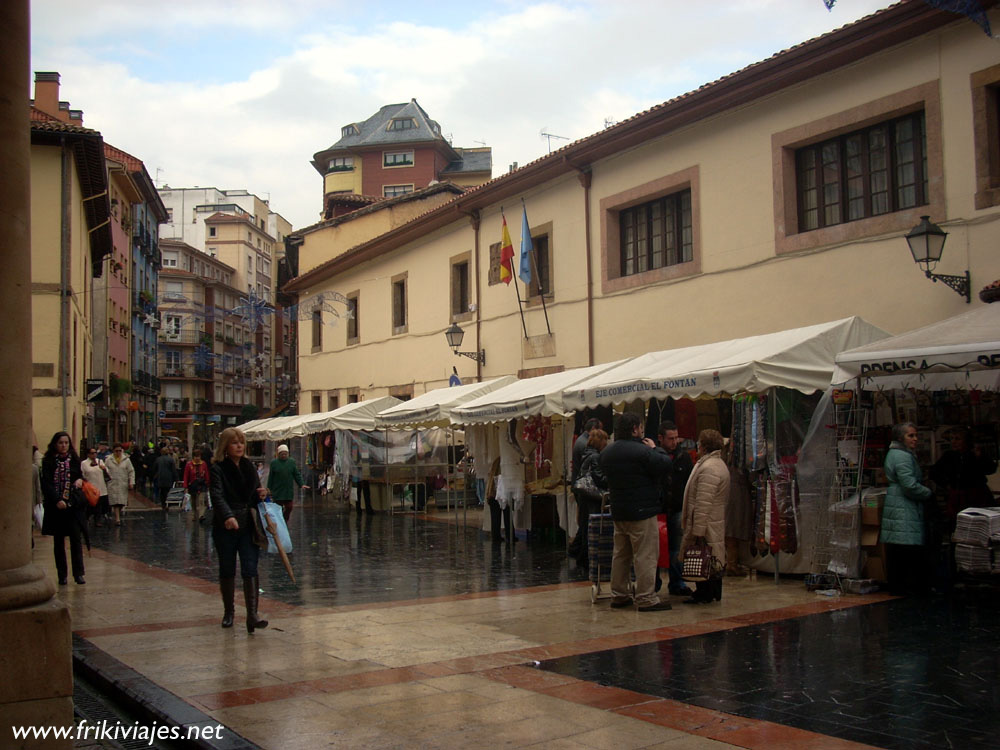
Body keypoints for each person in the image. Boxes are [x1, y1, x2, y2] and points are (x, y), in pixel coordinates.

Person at [599, 413, 673, 612]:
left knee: (620, 555)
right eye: (641, 427)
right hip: (642, 511)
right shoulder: (642, 451)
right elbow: (665, 464)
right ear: (634, 429)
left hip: (619, 511)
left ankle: (619, 594)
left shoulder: (607, 452)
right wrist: (655, 448)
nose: (642, 431)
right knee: (645, 555)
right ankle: (646, 597)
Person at [210, 427, 269, 633]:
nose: (239, 446)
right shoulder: (218, 468)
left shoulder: (248, 466)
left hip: (248, 524)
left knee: (250, 567)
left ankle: (252, 615)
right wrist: (228, 516)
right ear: (225, 446)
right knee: (227, 568)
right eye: (234, 443)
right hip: (225, 526)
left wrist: (263, 493)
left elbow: (255, 494)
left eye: (241, 442)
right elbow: (217, 495)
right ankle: (229, 612)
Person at [881, 422, 934, 596]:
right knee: (906, 546)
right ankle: (908, 587)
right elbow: (909, 485)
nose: (915, 439)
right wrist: (928, 493)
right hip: (903, 505)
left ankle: (900, 586)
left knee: (898, 547)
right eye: (910, 435)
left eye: (915, 435)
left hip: (898, 503)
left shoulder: (896, 453)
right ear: (900, 437)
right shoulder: (902, 456)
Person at [680, 429, 731, 604]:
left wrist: (698, 530)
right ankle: (713, 591)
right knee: (713, 556)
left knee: (704, 557)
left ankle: (705, 593)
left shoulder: (709, 468)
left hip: (707, 521)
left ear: (703, 446)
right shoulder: (716, 464)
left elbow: (703, 502)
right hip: (714, 519)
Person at [40, 431, 86, 585]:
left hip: (72, 505)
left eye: (66, 443)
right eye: (60, 443)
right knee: (59, 541)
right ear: (55, 444)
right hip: (56, 507)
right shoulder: (48, 461)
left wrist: (79, 480)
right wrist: (57, 500)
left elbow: (79, 476)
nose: (64, 446)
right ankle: (62, 575)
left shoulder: (74, 460)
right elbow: (46, 483)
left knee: (76, 539)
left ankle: (78, 574)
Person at [657, 421, 694, 596]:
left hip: (678, 508)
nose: (674, 442)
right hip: (659, 509)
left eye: (676, 438)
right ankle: (654, 583)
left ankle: (677, 582)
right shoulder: (654, 456)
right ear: (661, 438)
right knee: (656, 549)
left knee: (677, 548)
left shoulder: (683, 457)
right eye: (670, 438)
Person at [931, 427, 997, 524]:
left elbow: (991, 469)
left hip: (977, 496)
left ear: (966, 441)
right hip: (957, 497)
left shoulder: (974, 454)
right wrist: (946, 485)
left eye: (957, 439)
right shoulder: (949, 455)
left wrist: (980, 457)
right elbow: (934, 472)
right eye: (952, 438)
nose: (953, 442)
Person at [572, 429, 609, 567]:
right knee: (592, 528)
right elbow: (599, 478)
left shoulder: (587, 454)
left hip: (584, 496)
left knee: (585, 527)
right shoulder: (595, 457)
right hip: (592, 498)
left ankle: (582, 557)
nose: (606, 443)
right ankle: (586, 559)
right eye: (605, 440)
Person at [568, 418, 603, 559]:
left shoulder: (581, 442)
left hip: (581, 488)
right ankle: (580, 551)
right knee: (586, 522)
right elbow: (597, 476)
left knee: (583, 522)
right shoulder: (587, 448)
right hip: (587, 491)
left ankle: (576, 549)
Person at [267, 444, 309, 523]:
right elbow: (271, 477)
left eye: (285, 454)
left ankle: (285, 519)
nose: (284, 455)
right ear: (278, 454)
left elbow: (296, 474)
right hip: (277, 490)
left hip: (288, 490)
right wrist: (269, 488)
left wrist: (301, 484)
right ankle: (279, 522)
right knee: (278, 508)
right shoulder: (274, 463)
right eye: (282, 454)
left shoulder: (291, 462)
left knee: (289, 507)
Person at [105, 442, 135, 526]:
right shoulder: (108, 460)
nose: (118, 452)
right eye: (116, 451)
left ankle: (118, 514)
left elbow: (131, 471)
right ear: (113, 451)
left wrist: (131, 482)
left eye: (119, 451)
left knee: (122, 502)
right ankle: (117, 519)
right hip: (112, 483)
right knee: (115, 502)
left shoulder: (126, 460)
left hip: (122, 483)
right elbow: (105, 471)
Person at [80, 446, 111, 527]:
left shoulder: (100, 461)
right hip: (90, 488)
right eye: (92, 453)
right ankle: (87, 518)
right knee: (90, 504)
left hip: (101, 487)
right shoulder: (84, 463)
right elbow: (82, 475)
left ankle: (97, 519)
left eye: (95, 453)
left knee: (99, 505)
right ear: (88, 454)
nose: (94, 455)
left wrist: (104, 469)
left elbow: (107, 472)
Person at [183, 448, 211, 521]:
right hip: (193, 485)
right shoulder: (189, 465)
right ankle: (194, 515)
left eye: (198, 456)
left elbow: (206, 474)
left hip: (202, 485)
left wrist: (208, 483)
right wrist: (185, 486)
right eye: (196, 456)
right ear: (193, 457)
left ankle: (201, 515)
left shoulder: (203, 464)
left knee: (201, 500)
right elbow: (186, 476)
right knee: (193, 501)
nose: (197, 458)